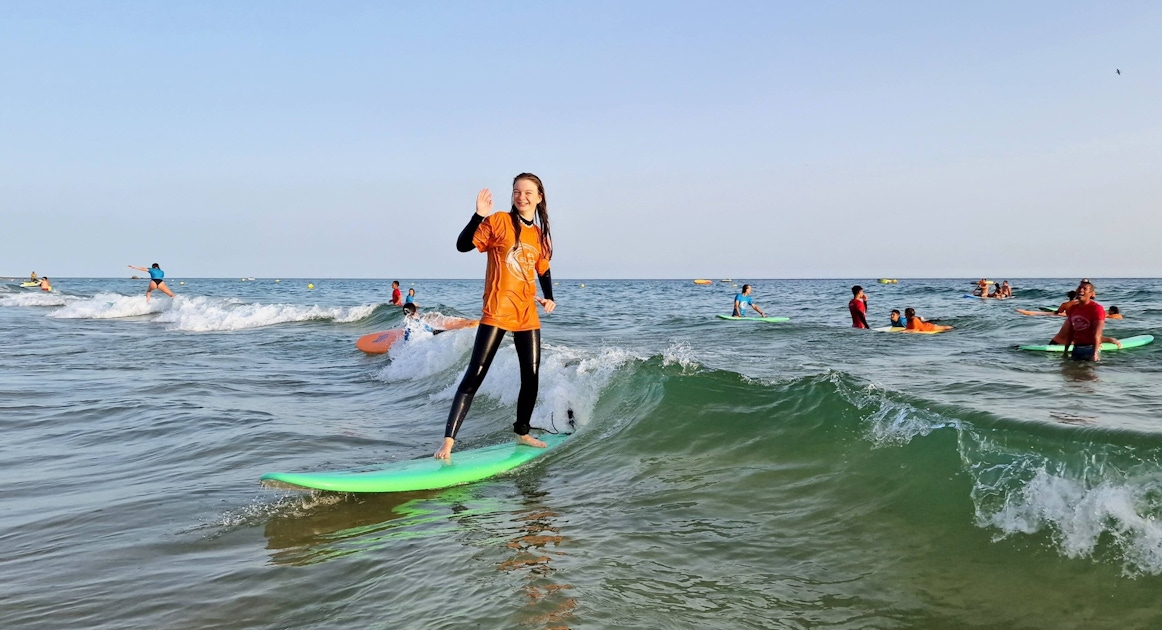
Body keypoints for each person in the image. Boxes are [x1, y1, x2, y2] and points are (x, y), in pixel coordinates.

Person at [435, 173, 556, 460]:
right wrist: (478, 215)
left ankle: (522, 432)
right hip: (497, 310)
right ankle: (448, 443)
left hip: (527, 313)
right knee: (475, 374)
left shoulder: (539, 235)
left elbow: (543, 268)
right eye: (516, 191)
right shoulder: (499, 221)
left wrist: (549, 296)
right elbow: (462, 245)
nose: (521, 196)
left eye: (528, 192)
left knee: (531, 376)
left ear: (539, 197)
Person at [1062, 281, 1118, 360]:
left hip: (1090, 348)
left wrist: (1095, 354)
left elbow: (1097, 333)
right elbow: (1070, 331)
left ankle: (1110, 340)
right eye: (1079, 288)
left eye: (1085, 289)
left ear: (1091, 294)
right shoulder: (1073, 308)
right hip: (1076, 348)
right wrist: (1065, 351)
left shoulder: (1096, 309)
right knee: (1070, 371)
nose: (1081, 290)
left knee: (1088, 371)